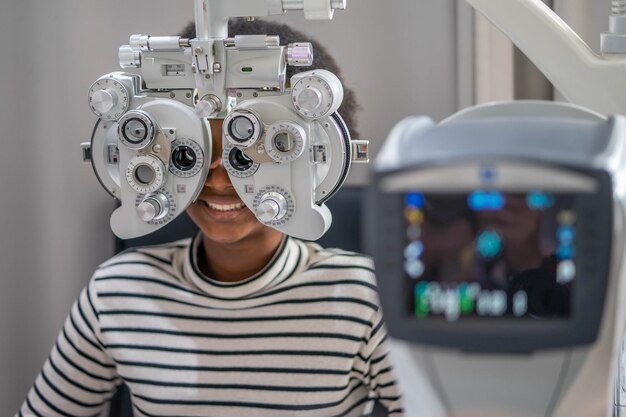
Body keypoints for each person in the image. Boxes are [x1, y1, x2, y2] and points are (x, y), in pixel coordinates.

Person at [17, 19, 404, 417]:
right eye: (191, 156)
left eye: (246, 157)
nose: (218, 180)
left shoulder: (364, 299)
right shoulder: (117, 291)